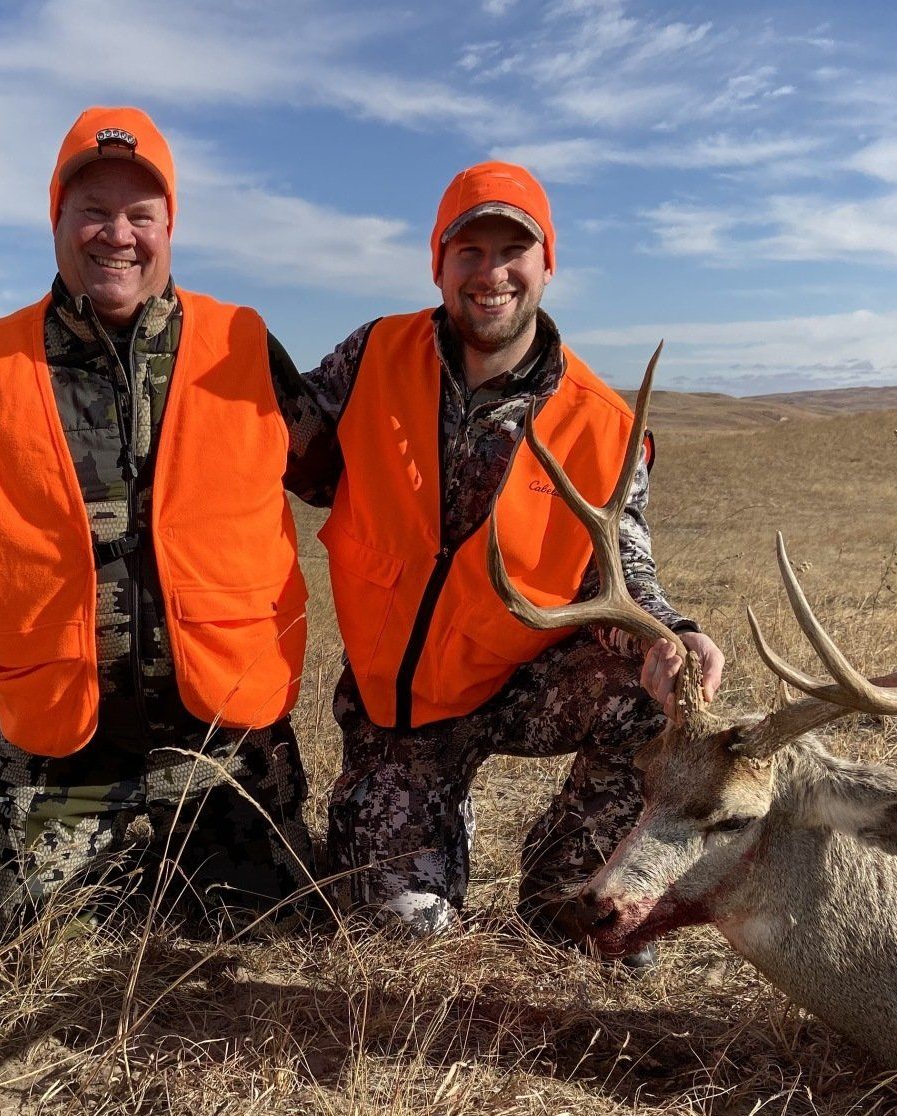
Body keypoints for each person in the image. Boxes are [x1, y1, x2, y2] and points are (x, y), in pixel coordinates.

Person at [0, 107, 332, 931]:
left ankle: (186, 854)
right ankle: (114, 856)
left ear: (168, 228)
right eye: (92, 211)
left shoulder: (243, 346)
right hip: (64, 747)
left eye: (139, 215)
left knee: (277, 925)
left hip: (225, 743)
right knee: (2, 934)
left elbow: (339, 472)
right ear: (57, 222)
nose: (115, 235)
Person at [296, 160, 726, 950]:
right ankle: (424, 822)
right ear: (439, 264)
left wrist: (672, 635)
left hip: (522, 681)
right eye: (469, 252)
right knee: (406, 933)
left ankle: (565, 894)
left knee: (644, 693)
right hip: (402, 713)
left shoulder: (601, 424)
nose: (490, 273)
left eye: (512, 251)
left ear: (546, 264)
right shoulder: (372, 359)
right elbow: (282, 449)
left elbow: (624, 571)